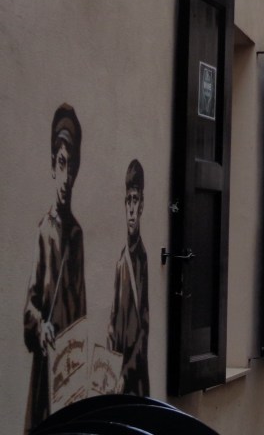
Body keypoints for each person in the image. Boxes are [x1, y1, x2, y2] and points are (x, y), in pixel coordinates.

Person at [23, 104, 87, 432]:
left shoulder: (77, 236)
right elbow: (29, 306)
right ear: (53, 166)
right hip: (45, 375)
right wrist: (41, 327)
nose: (66, 178)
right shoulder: (44, 231)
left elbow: (82, 311)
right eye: (61, 164)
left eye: (71, 167)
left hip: (70, 375)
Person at [106, 159, 150, 396]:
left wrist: (125, 373)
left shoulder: (141, 259)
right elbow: (113, 322)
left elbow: (144, 330)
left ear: (142, 205)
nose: (131, 209)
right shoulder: (121, 259)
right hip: (116, 379)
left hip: (134, 381)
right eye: (128, 201)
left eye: (136, 200)